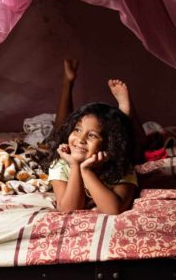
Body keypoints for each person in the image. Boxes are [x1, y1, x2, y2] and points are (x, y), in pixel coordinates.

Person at [43, 59, 146, 215]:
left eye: (91, 135)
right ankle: (67, 84)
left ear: (108, 145)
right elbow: (68, 209)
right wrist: (76, 165)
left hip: (117, 153)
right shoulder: (61, 164)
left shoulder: (121, 167)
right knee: (59, 134)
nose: (81, 139)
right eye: (77, 130)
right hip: (74, 158)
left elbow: (113, 210)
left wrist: (86, 171)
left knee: (136, 148)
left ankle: (126, 113)